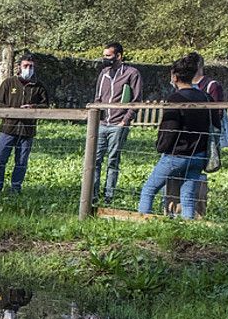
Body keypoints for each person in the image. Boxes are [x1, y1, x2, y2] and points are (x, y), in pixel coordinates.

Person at [137, 53, 214, 220]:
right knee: (188, 197)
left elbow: (169, 128)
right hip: (199, 155)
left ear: (175, 76)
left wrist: (161, 146)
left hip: (177, 155)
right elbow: (215, 121)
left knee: (149, 189)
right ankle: (188, 225)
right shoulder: (206, 97)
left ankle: (142, 223)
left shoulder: (176, 98)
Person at [0, 52, 50, 196]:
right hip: (8, 128)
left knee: (21, 162)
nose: (28, 68)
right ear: (19, 67)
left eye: (31, 66)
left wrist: (33, 107)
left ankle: (15, 191)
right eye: (26, 66)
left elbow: (45, 105)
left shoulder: (39, 86)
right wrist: (11, 111)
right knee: (0, 160)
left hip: (27, 131)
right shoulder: (9, 83)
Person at [91, 42, 144, 204]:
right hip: (101, 123)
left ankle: (109, 196)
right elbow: (98, 98)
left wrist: (124, 121)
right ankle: (92, 196)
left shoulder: (131, 74)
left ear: (119, 56)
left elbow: (136, 101)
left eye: (108, 55)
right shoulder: (104, 73)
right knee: (95, 160)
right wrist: (96, 118)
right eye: (104, 55)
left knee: (113, 161)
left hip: (118, 125)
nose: (105, 58)